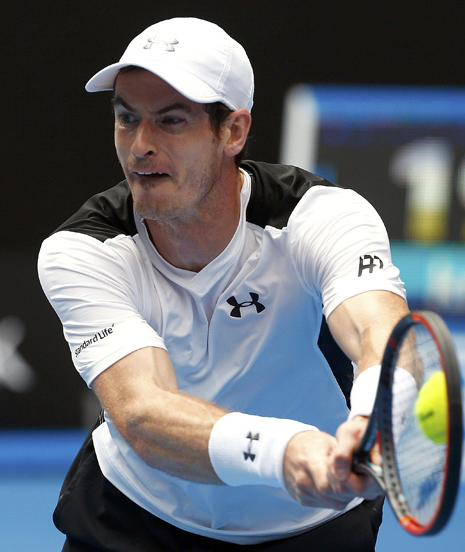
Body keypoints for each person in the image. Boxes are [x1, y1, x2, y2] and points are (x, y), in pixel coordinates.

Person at [38, 16, 412, 551]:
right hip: (138, 518)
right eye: (126, 118)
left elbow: (382, 335)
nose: (140, 144)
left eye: (171, 121)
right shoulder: (83, 249)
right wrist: (283, 449)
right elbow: (143, 413)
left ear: (233, 131)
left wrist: (377, 416)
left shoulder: (320, 217)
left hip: (312, 524)